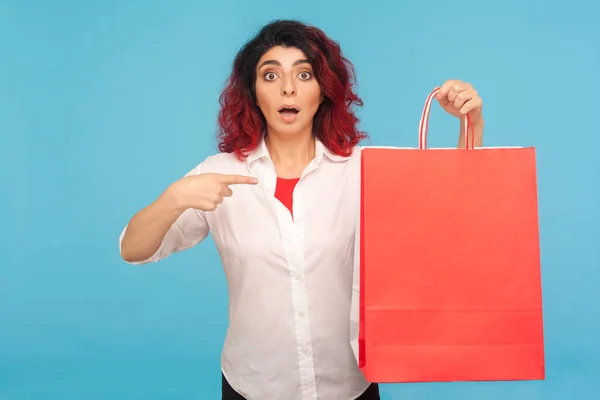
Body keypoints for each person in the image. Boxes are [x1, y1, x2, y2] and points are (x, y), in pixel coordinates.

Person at [119, 19, 484, 400]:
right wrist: (174, 198)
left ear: (323, 91)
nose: (288, 88)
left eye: (304, 74)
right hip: (253, 384)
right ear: (254, 92)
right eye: (271, 75)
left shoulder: (363, 169)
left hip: (349, 384)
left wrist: (470, 122)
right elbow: (133, 249)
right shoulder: (217, 173)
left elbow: (451, 210)